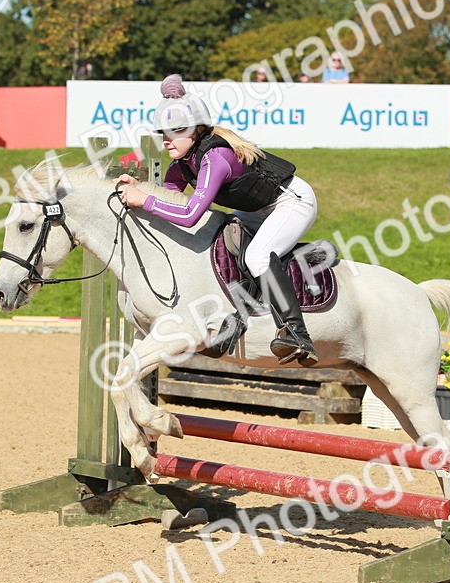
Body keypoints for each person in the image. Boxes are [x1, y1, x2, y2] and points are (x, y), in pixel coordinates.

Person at [114, 74, 318, 365]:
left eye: (176, 131)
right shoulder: (182, 166)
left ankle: (297, 334)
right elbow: (167, 198)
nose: (167, 139)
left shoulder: (214, 158)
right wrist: (138, 187)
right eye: (163, 132)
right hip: (256, 209)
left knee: (258, 256)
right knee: (224, 244)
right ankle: (234, 322)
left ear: (197, 130)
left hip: (291, 202)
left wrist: (144, 199)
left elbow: (188, 215)